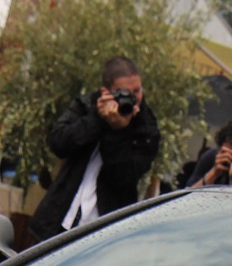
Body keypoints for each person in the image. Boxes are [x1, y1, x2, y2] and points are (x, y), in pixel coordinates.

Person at [27, 57, 161, 245]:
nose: (132, 98)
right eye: (124, 92)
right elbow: (58, 142)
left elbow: (125, 176)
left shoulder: (147, 127)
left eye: (137, 91)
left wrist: (119, 131)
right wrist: (97, 119)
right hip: (57, 220)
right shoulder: (87, 106)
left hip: (102, 233)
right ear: (106, 91)